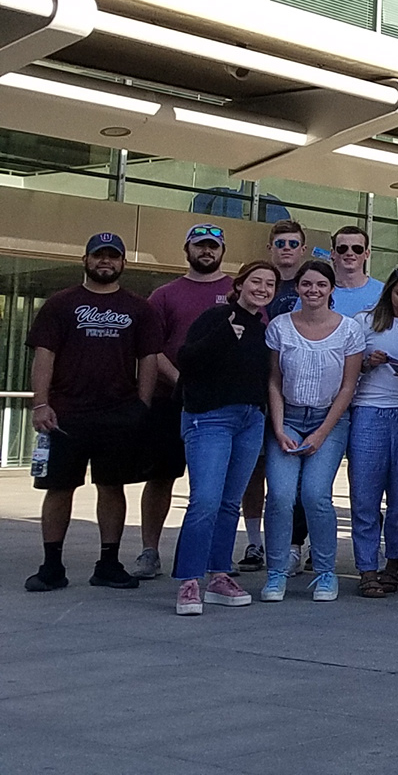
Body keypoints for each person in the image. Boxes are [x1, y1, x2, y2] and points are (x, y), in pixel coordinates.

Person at [23, 232, 160, 594]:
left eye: (112, 256)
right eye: (99, 255)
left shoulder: (138, 308)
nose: (105, 261)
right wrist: (40, 403)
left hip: (119, 414)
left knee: (112, 487)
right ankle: (51, 566)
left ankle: (108, 564)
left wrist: (142, 405)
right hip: (65, 414)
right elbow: (44, 355)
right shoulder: (60, 304)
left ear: (123, 263)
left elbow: (148, 358)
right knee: (58, 488)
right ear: (85, 260)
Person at [171, 260, 279, 615]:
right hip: (210, 419)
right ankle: (189, 581)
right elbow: (187, 359)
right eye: (256, 281)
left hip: (250, 420)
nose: (262, 289)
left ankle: (219, 575)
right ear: (240, 285)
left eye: (270, 284)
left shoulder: (263, 329)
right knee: (205, 500)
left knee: (231, 502)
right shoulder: (217, 317)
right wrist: (224, 333)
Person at [135, 223, 235, 581]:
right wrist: (181, 381)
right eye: (199, 245)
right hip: (171, 401)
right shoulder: (164, 295)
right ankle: (149, 551)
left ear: (222, 251)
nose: (206, 251)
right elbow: (151, 347)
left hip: (221, 405)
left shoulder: (237, 291)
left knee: (214, 486)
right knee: (160, 477)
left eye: (212, 246)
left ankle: (213, 556)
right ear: (187, 249)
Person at [264, 259, 366, 603]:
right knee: (280, 495)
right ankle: (276, 572)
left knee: (315, 494)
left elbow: (349, 386)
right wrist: (279, 427)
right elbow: (274, 380)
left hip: (329, 420)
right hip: (288, 417)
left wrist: (322, 433)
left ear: (331, 289)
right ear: (297, 288)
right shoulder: (280, 326)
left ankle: (324, 572)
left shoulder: (349, 330)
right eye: (306, 284)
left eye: (321, 285)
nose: (313, 290)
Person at [346, 263, 398, 598]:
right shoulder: (364, 321)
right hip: (370, 410)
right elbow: (346, 368)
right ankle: (367, 567)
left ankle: (393, 563)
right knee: (364, 495)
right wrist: (368, 363)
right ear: (389, 292)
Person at [246, 219, 306, 570]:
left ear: (302, 248)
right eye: (280, 243)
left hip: (298, 394)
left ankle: (294, 544)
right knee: (253, 470)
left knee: (293, 478)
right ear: (270, 247)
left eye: (292, 243)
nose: (286, 248)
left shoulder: (309, 285)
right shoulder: (259, 283)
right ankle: (255, 543)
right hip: (257, 389)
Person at [328, 225, 384, 318]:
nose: (349, 253)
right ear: (333, 253)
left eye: (357, 249)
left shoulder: (383, 293)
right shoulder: (319, 292)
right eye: (342, 248)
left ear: (367, 254)